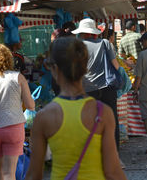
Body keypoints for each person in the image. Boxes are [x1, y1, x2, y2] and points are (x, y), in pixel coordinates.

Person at [25, 37, 127, 180]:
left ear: (53, 69)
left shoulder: (44, 117)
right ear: (85, 67)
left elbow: (34, 175)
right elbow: (113, 171)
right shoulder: (102, 112)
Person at [0, 44, 35, 180]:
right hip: (13, 127)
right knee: (10, 172)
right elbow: (30, 105)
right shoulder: (17, 77)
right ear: (9, 59)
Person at [71, 18, 122, 150]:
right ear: (94, 32)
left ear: (81, 33)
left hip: (86, 90)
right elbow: (116, 66)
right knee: (111, 120)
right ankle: (113, 152)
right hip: (107, 89)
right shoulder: (105, 43)